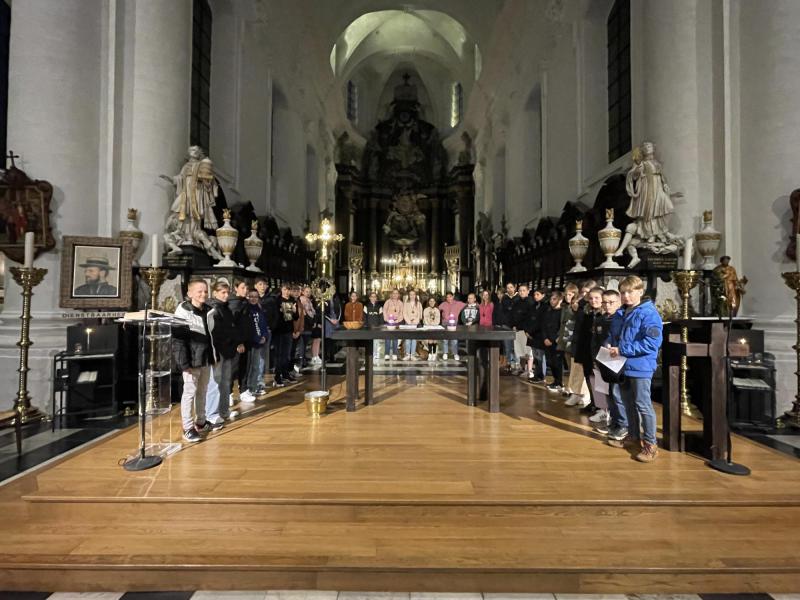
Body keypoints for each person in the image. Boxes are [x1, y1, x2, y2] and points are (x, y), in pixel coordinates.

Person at [606, 275, 663, 463]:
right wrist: (609, 345)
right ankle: (633, 436)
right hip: (623, 365)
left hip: (641, 366)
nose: (626, 296)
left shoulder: (648, 313)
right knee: (628, 403)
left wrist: (622, 349)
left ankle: (650, 445)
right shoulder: (622, 312)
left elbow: (652, 343)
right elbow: (616, 335)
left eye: (630, 292)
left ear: (640, 291)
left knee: (643, 405)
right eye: (623, 292)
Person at [172, 279, 214, 443]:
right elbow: (178, 340)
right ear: (189, 294)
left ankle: (201, 422)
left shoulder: (209, 310)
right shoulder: (183, 311)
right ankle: (188, 427)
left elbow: (210, 336)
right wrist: (184, 364)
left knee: (202, 390)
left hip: (205, 357)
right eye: (199, 291)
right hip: (191, 360)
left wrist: (213, 356)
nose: (203, 294)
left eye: (205, 291)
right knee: (189, 393)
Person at [205, 281, 246, 428]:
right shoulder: (212, 309)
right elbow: (215, 332)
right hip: (218, 351)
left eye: (227, 292)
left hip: (228, 350)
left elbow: (232, 328)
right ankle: (212, 414)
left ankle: (223, 411)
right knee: (215, 383)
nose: (226, 295)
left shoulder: (226, 308)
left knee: (225, 382)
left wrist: (236, 342)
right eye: (222, 292)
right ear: (215, 293)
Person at [594, 289, 626, 437]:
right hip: (603, 359)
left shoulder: (621, 318)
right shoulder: (601, 319)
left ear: (619, 302)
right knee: (608, 393)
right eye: (605, 302)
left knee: (617, 393)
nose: (607, 305)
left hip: (618, 361)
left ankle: (623, 424)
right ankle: (613, 422)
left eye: (611, 302)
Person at [567, 280, 597, 408]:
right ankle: (580, 394)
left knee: (591, 374)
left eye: (587, 292)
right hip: (579, 341)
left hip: (591, 345)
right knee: (578, 369)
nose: (585, 295)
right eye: (583, 292)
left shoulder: (590, 308)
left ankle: (586, 396)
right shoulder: (582, 306)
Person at [557, 282, 579, 398]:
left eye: (570, 294)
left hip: (572, 336)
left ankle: (572, 388)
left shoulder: (575, 306)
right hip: (565, 336)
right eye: (566, 294)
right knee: (568, 363)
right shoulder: (565, 307)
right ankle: (569, 386)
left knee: (574, 365)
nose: (567, 297)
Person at [274, 284, 299, 386]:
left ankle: (285, 373)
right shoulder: (277, 300)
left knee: (287, 354)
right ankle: (277, 376)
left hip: (289, 330)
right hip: (279, 330)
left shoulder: (293, 300)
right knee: (279, 354)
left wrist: (294, 311)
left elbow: (296, 317)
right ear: (281, 290)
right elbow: (275, 315)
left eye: (288, 290)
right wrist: (279, 311)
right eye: (285, 289)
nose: (286, 292)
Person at [540, 290, 564, 393]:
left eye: (554, 299)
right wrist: (545, 338)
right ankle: (555, 380)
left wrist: (553, 340)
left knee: (557, 363)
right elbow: (543, 325)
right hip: (547, 340)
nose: (551, 301)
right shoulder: (548, 311)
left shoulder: (562, 312)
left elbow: (561, 328)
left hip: (556, 342)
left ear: (560, 300)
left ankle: (559, 382)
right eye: (551, 299)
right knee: (550, 362)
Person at [509, 284, 534, 378]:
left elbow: (530, 317)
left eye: (524, 290)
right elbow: (512, 315)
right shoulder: (516, 302)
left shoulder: (531, 302)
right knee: (519, 350)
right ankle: (522, 368)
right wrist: (513, 325)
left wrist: (528, 329)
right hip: (517, 329)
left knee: (528, 351)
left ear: (528, 291)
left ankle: (530, 370)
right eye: (520, 290)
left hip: (526, 330)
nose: (522, 292)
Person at [526, 287, 549, 383]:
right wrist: (527, 331)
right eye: (534, 295)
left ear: (543, 295)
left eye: (538, 294)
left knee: (540, 357)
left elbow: (541, 322)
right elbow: (529, 318)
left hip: (539, 335)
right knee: (535, 356)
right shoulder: (534, 306)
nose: (535, 296)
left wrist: (531, 331)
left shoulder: (545, 307)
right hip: (532, 335)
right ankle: (536, 374)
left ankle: (541, 376)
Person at [438, 291, 465, 360]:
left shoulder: (458, 303)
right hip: (445, 323)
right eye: (447, 297)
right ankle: (445, 353)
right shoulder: (443, 304)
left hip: (454, 324)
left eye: (450, 296)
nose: (448, 298)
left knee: (454, 339)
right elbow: (437, 308)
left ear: (453, 297)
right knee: (445, 339)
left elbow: (467, 305)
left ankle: (455, 353)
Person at [499, 283, 519, 371]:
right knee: (507, 346)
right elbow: (504, 310)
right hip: (506, 325)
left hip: (516, 326)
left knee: (516, 347)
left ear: (515, 288)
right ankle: (508, 364)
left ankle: (516, 364)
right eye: (508, 288)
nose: (509, 289)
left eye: (511, 287)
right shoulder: (504, 298)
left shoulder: (518, 297)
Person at [382, 289, 404, 360]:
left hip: (396, 322)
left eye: (396, 293)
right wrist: (387, 319)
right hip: (388, 322)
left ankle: (395, 353)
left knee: (395, 338)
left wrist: (398, 320)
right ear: (391, 294)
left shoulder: (400, 303)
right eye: (393, 293)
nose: (395, 295)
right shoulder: (387, 302)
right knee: (387, 338)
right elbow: (384, 310)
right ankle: (387, 353)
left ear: (398, 295)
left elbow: (401, 312)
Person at [402, 289, 423, 360]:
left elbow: (420, 314)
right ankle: (407, 354)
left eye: (413, 294)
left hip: (415, 323)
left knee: (414, 339)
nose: (412, 296)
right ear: (409, 295)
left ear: (415, 295)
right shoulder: (406, 303)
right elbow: (404, 313)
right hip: (407, 323)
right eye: (411, 294)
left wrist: (415, 321)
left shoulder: (419, 303)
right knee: (408, 338)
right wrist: (408, 321)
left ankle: (413, 354)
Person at [364, 291, 384, 364]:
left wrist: (381, 325)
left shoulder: (379, 307)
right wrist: (365, 325)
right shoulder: (366, 306)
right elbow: (365, 317)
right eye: (372, 296)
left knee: (377, 341)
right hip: (369, 326)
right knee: (369, 341)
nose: (373, 298)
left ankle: (377, 354)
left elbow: (381, 317)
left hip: (377, 327)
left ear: (376, 298)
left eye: (374, 297)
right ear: (369, 298)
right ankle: (370, 354)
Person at [423, 296, 441, 361]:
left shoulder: (437, 310)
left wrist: (434, 324)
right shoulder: (426, 310)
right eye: (430, 301)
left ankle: (434, 354)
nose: (432, 302)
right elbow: (425, 318)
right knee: (430, 339)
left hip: (435, 326)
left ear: (435, 302)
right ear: (428, 302)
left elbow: (438, 319)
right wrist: (429, 323)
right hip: (428, 326)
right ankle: (430, 354)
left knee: (435, 340)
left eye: (433, 301)